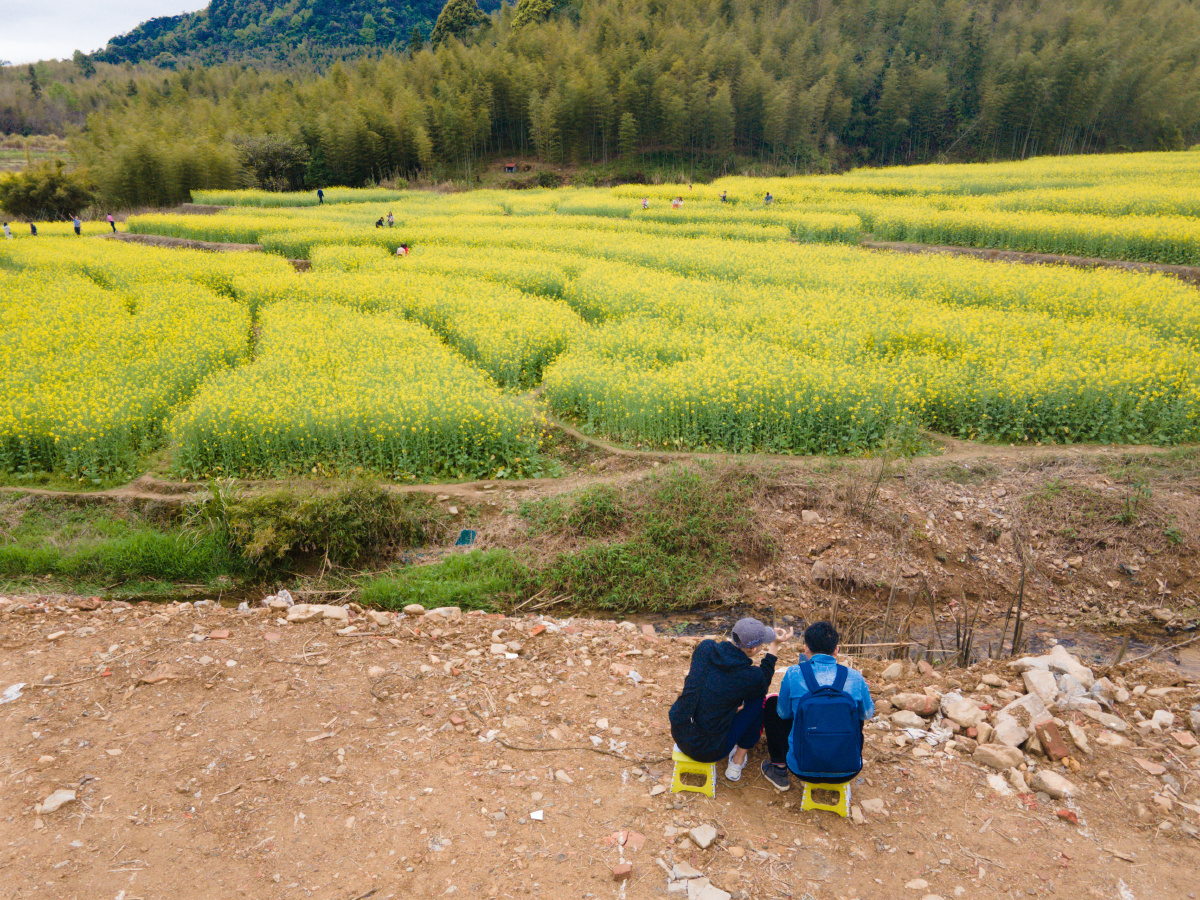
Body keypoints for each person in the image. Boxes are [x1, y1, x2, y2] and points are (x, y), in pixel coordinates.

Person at [670, 618, 793, 782]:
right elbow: (763, 680)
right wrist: (775, 645)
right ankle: (737, 759)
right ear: (753, 649)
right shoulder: (750, 676)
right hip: (710, 750)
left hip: (680, 733)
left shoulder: (706, 648)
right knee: (758, 700)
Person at [759, 621, 874, 792]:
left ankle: (779, 767)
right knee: (856, 713)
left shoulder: (794, 673)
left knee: (772, 703)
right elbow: (867, 714)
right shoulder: (855, 677)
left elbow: (783, 714)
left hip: (802, 768)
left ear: (806, 648)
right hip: (848, 770)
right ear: (836, 650)